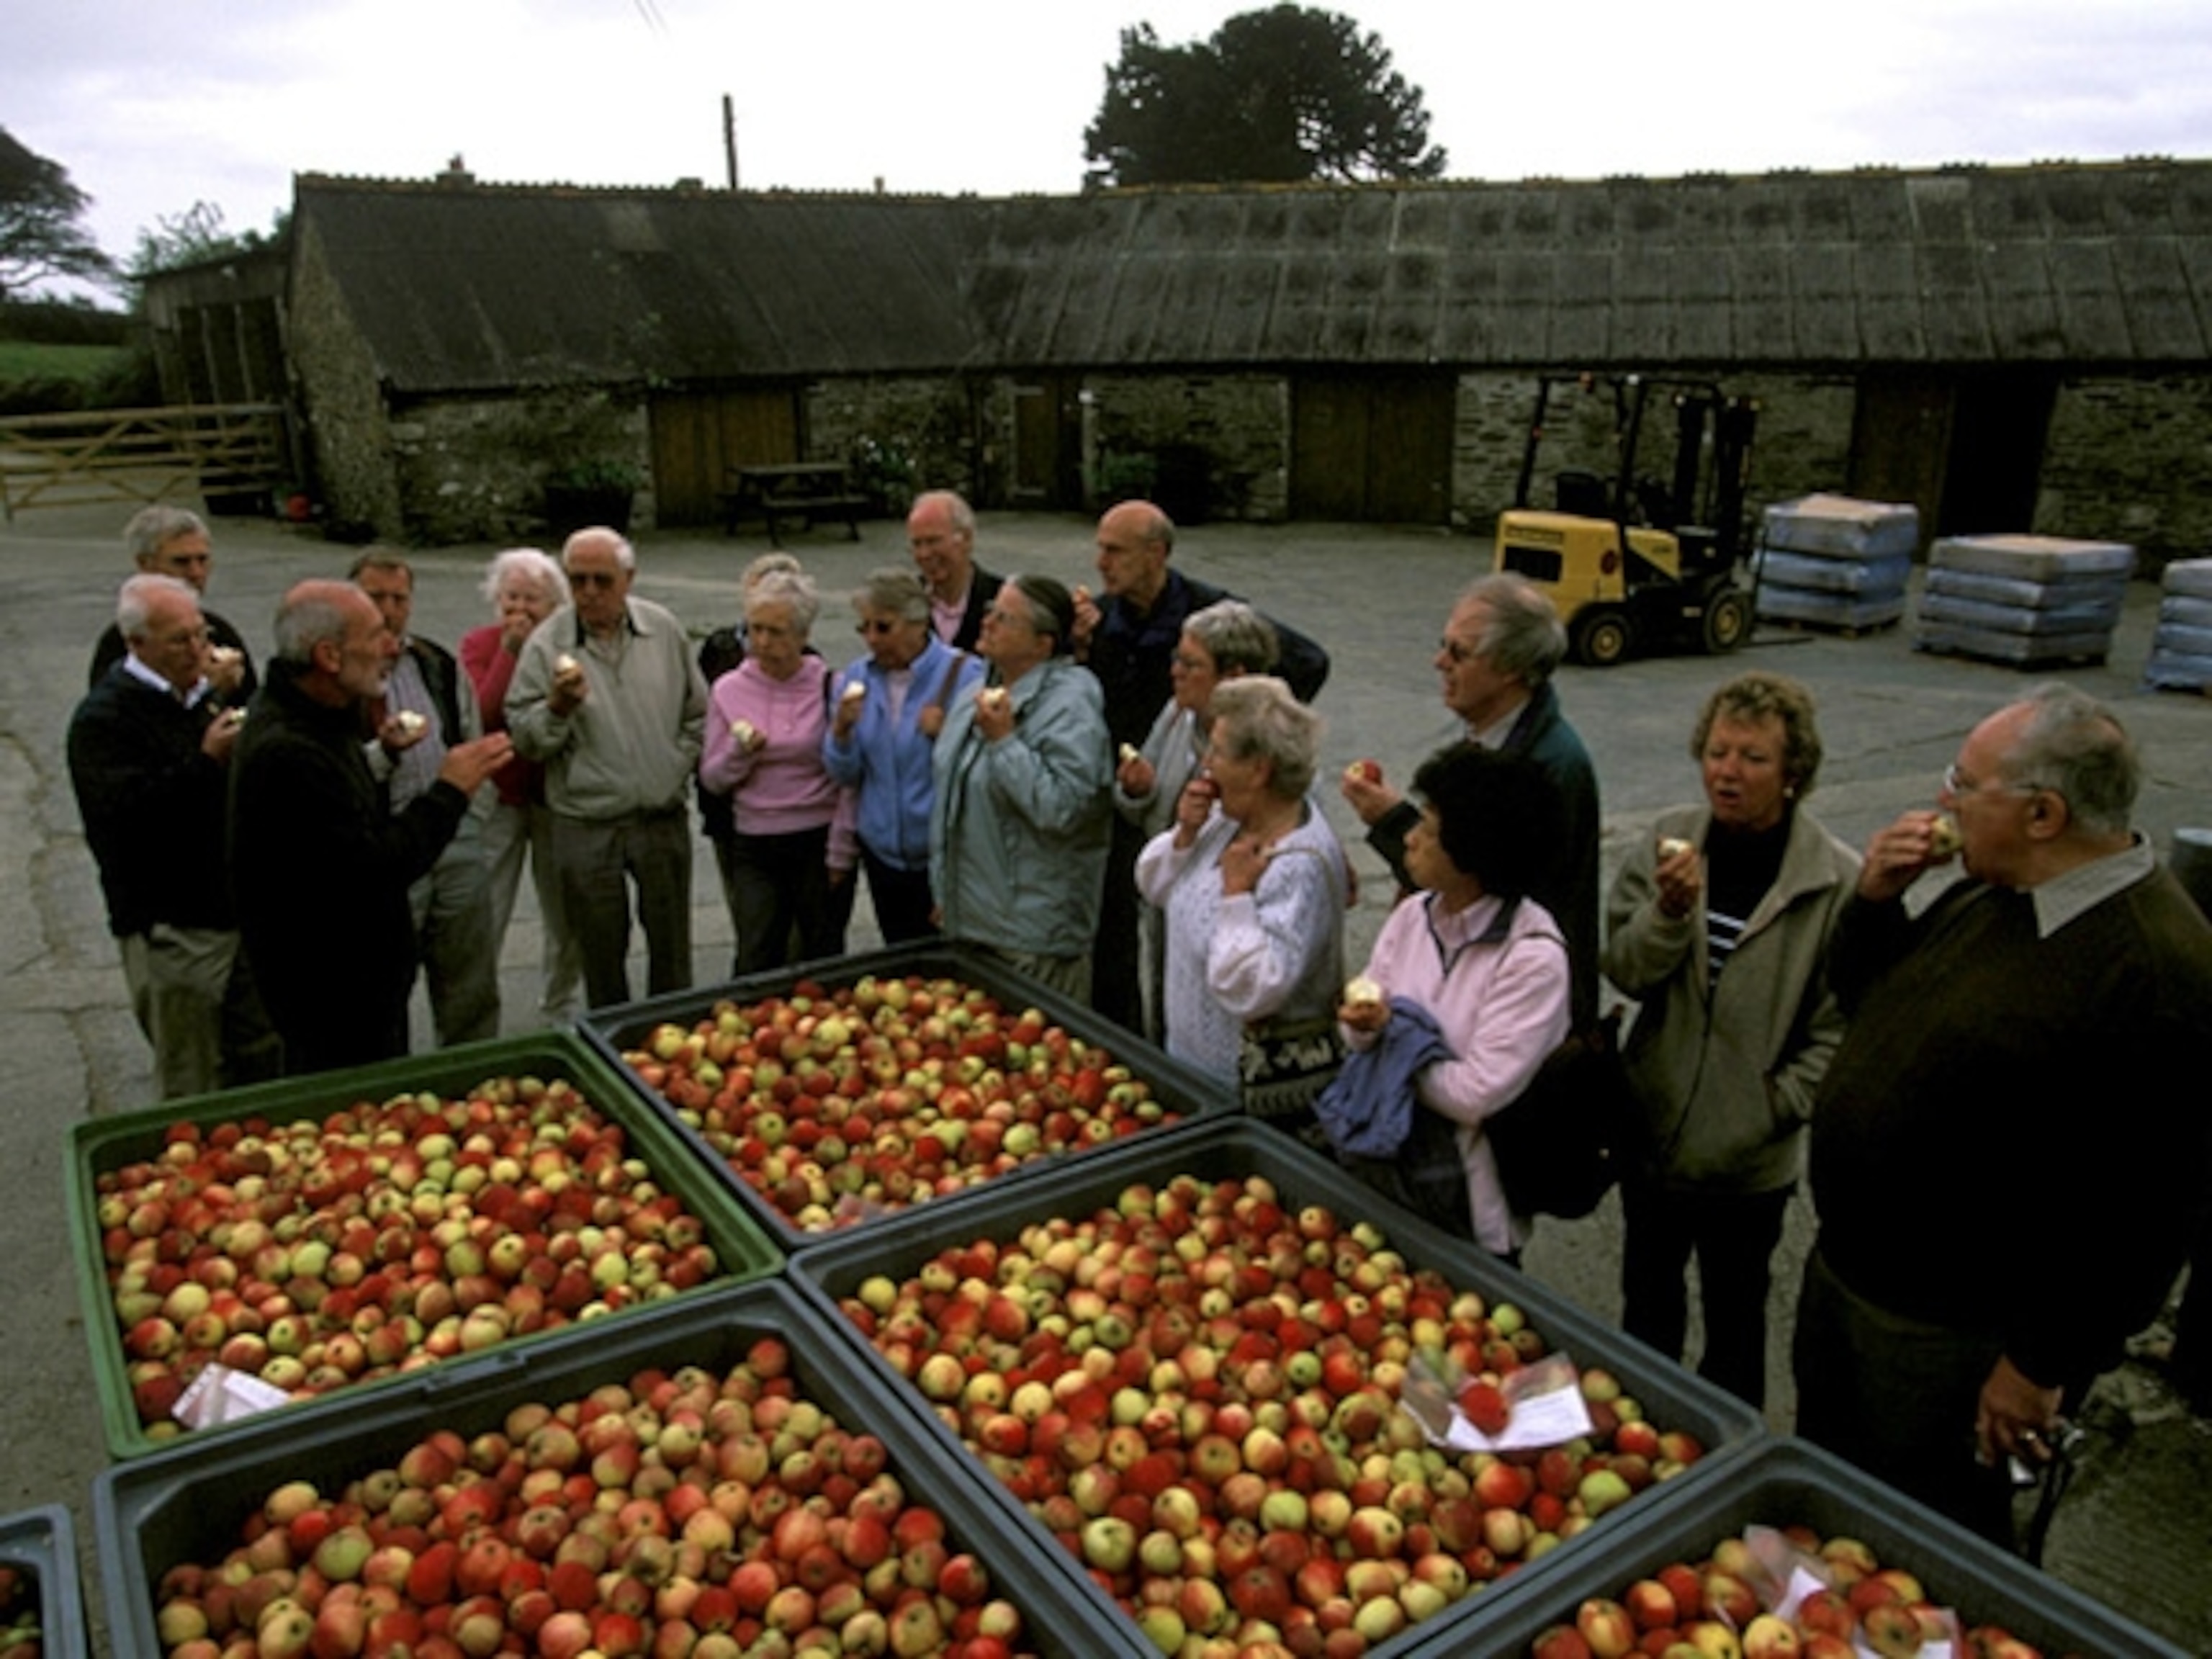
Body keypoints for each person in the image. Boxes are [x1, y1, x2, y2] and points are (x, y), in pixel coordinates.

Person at [1794, 684, 2212, 1544]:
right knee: (1827, 1509)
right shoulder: (1991, 893)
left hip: (1952, 1341)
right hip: (1853, 1286)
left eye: (1965, 782)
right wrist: (1873, 901)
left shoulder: (2157, 970)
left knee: (1920, 1541)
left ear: (2043, 813)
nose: (1945, 798)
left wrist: (2040, 1364)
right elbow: (1868, 996)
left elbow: (2147, 1210)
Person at [1600, 670, 1860, 1411]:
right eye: (1717, 752)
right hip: (1653, 1137)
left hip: (1750, 1167)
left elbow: (1841, 1028)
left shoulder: (1835, 881)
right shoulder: (1667, 842)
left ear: (1793, 773)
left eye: (1752, 758)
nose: (1727, 772)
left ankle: (1728, 1465)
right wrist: (1669, 916)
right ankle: (1642, 1450)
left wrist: (1773, 1105)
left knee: (1735, 1329)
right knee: (1645, 1315)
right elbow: (1623, 967)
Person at [229, 580, 511, 1076]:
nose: (390, 646)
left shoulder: (326, 715)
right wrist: (450, 790)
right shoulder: (289, 752)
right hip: (331, 997)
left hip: (364, 986)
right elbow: (371, 867)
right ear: (329, 656)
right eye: (377, 634)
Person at [1072, 498, 1331, 1028]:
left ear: (1156, 553)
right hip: (1161, 875)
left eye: (1114, 550)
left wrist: (1264, 713)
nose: (1101, 561)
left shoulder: (1213, 614)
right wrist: (1140, 790)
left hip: (1236, 957)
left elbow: (1310, 659)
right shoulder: (1115, 638)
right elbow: (1148, 819)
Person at [1336, 744, 1572, 1259]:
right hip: (1387, 1180)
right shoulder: (1413, 915)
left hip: (1466, 1205)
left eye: (1429, 829)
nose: (1411, 839)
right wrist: (1366, 1026)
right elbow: (1358, 1032)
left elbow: (1474, 1094)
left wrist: (1390, 1048)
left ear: (1471, 854)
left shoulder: (1532, 959)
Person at [1341, 572, 1602, 1028]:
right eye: (1444, 644)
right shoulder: (1488, 736)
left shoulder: (1547, 767)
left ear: (1511, 667)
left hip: (1507, 1017)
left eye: (1459, 652)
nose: (1439, 661)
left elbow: (1483, 885)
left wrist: (1393, 823)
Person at [67, 573, 279, 1100]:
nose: (198, 650)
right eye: (179, 640)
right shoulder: (105, 718)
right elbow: (126, 822)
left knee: (264, 1059)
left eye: (201, 634)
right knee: (193, 1075)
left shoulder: (206, 697)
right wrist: (205, 762)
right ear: (137, 644)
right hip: (173, 927)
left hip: (239, 913)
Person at [505, 528, 708, 1010]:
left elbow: (697, 713)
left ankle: (674, 1035)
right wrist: (556, 709)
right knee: (600, 952)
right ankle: (612, 1046)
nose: (589, 593)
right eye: (578, 581)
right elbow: (524, 736)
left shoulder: (662, 629)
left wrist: (674, 765)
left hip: (659, 815)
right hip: (586, 821)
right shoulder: (547, 643)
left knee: (672, 949)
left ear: (628, 579)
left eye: (602, 580)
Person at [1135, 677, 1348, 1108]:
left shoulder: (1298, 864)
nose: (1205, 763)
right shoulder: (1224, 819)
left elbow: (1252, 991)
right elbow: (1154, 889)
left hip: (1243, 1091)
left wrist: (1236, 896)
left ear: (1259, 770)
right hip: (1188, 1066)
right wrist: (1185, 837)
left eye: (1217, 752)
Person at [932, 574, 1112, 999]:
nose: (988, 622)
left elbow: (1064, 810)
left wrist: (1005, 744)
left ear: (1042, 644)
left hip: (1033, 940)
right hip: (969, 926)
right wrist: (947, 891)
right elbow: (952, 804)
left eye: (1005, 618)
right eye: (991, 610)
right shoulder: (976, 692)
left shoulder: (1071, 706)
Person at [352, 550, 501, 1048]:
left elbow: (468, 731)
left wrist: (472, 818)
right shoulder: (343, 676)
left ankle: (472, 1069)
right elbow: (335, 769)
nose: (389, 610)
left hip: (453, 836)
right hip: (391, 841)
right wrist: (383, 753)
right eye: (376, 598)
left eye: (399, 598)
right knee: (385, 980)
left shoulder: (433, 664)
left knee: (469, 976)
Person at [1114, 600, 1280, 1040]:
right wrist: (1138, 790)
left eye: (1191, 664)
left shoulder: (1274, 744)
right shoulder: (1176, 715)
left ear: (1235, 676)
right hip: (1169, 908)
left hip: (1227, 923)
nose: (1175, 672)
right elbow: (1144, 807)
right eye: (1176, 658)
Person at [698, 568, 855, 974]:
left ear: (803, 637)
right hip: (755, 841)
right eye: (756, 630)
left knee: (822, 953)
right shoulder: (729, 690)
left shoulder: (830, 686)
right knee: (756, 952)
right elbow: (712, 778)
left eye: (777, 632)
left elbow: (848, 778)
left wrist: (841, 847)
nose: (762, 644)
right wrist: (740, 752)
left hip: (816, 838)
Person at [824, 568, 985, 945]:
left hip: (941, 855)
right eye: (864, 628)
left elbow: (984, 764)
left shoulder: (964, 674)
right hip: (883, 854)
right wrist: (841, 731)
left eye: (884, 627)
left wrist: (947, 732)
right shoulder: (857, 678)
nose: (873, 640)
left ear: (918, 622)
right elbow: (844, 774)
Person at [459, 547, 584, 1025]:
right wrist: (511, 652)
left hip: (554, 792)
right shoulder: (480, 644)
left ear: (554, 605)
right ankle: (476, 1008)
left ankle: (559, 1005)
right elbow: (485, 712)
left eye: (533, 599)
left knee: (564, 912)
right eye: (511, 596)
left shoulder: (565, 647)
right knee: (486, 906)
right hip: (502, 793)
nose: (520, 609)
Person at [695, 551, 805, 963]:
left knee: (801, 937)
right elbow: (703, 734)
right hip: (735, 818)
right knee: (755, 927)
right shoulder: (721, 654)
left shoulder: (811, 665)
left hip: (801, 822)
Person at [87, 506, 256, 707]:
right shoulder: (123, 642)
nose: (196, 573)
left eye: (203, 560)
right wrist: (210, 691)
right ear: (145, 564)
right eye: (181, 562)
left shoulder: (220, 632)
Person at [907, 490, 1003, 651]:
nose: (924, 554)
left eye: (933, 541)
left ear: (966, 539)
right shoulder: (904, 602)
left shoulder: (1001, 601)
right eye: (917, 544)